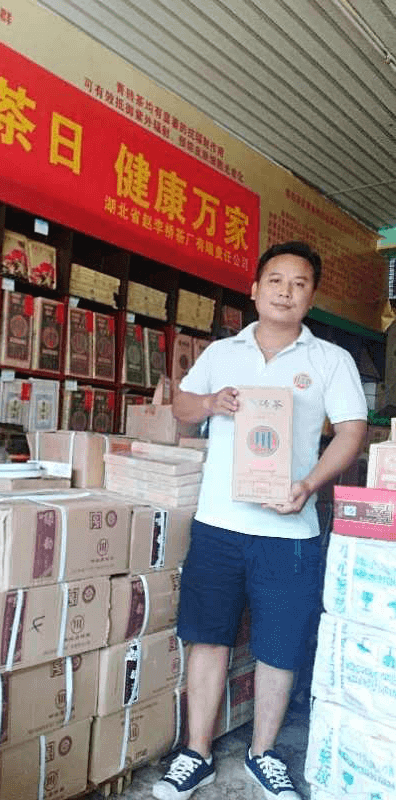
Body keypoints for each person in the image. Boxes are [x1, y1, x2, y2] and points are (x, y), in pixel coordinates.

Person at [152, 241, 367, 800]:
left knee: (280, 645)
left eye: (299, 284)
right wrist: (209, 405)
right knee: (207, 637)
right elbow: (180, 407)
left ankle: (263, 753)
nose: (286, 292)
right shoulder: (222, 353)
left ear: (311, 297)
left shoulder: (330, 361)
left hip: (290, 531)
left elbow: (351, 431)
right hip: (218, 525)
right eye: (276, 280)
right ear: (254, 290)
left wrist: (309, 485)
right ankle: (196, 753)